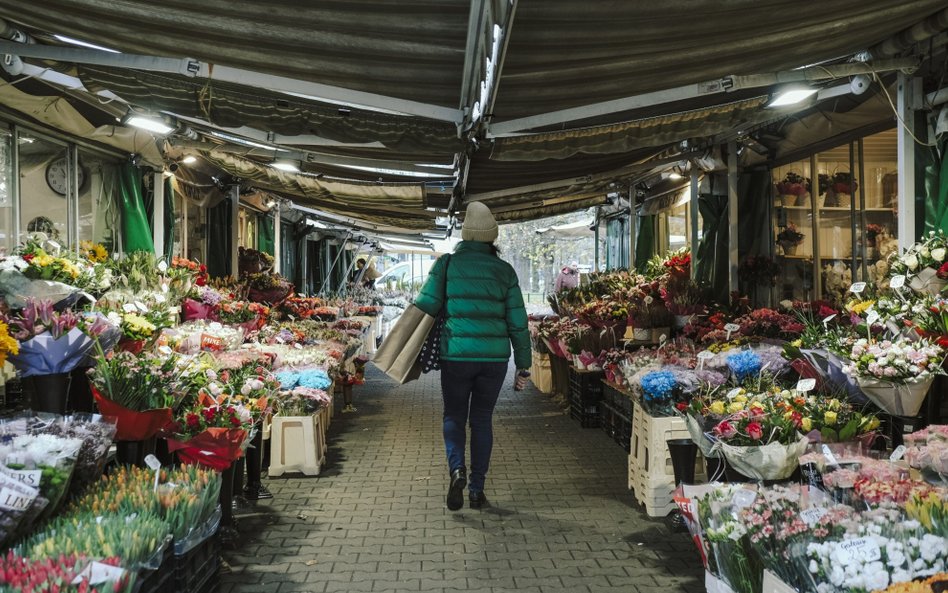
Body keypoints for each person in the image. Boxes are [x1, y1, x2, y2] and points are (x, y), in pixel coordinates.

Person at [414, 202, 531, 511]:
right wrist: (524, 365)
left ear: (465, 235)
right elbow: (518, 322)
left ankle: (457, 470)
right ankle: (477, 490)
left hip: (456, 355)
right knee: (481, 420)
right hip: (494, 360)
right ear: (492, 237)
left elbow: (424, 306)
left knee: (454, 416)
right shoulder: (504, 271)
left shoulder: (448, 265)